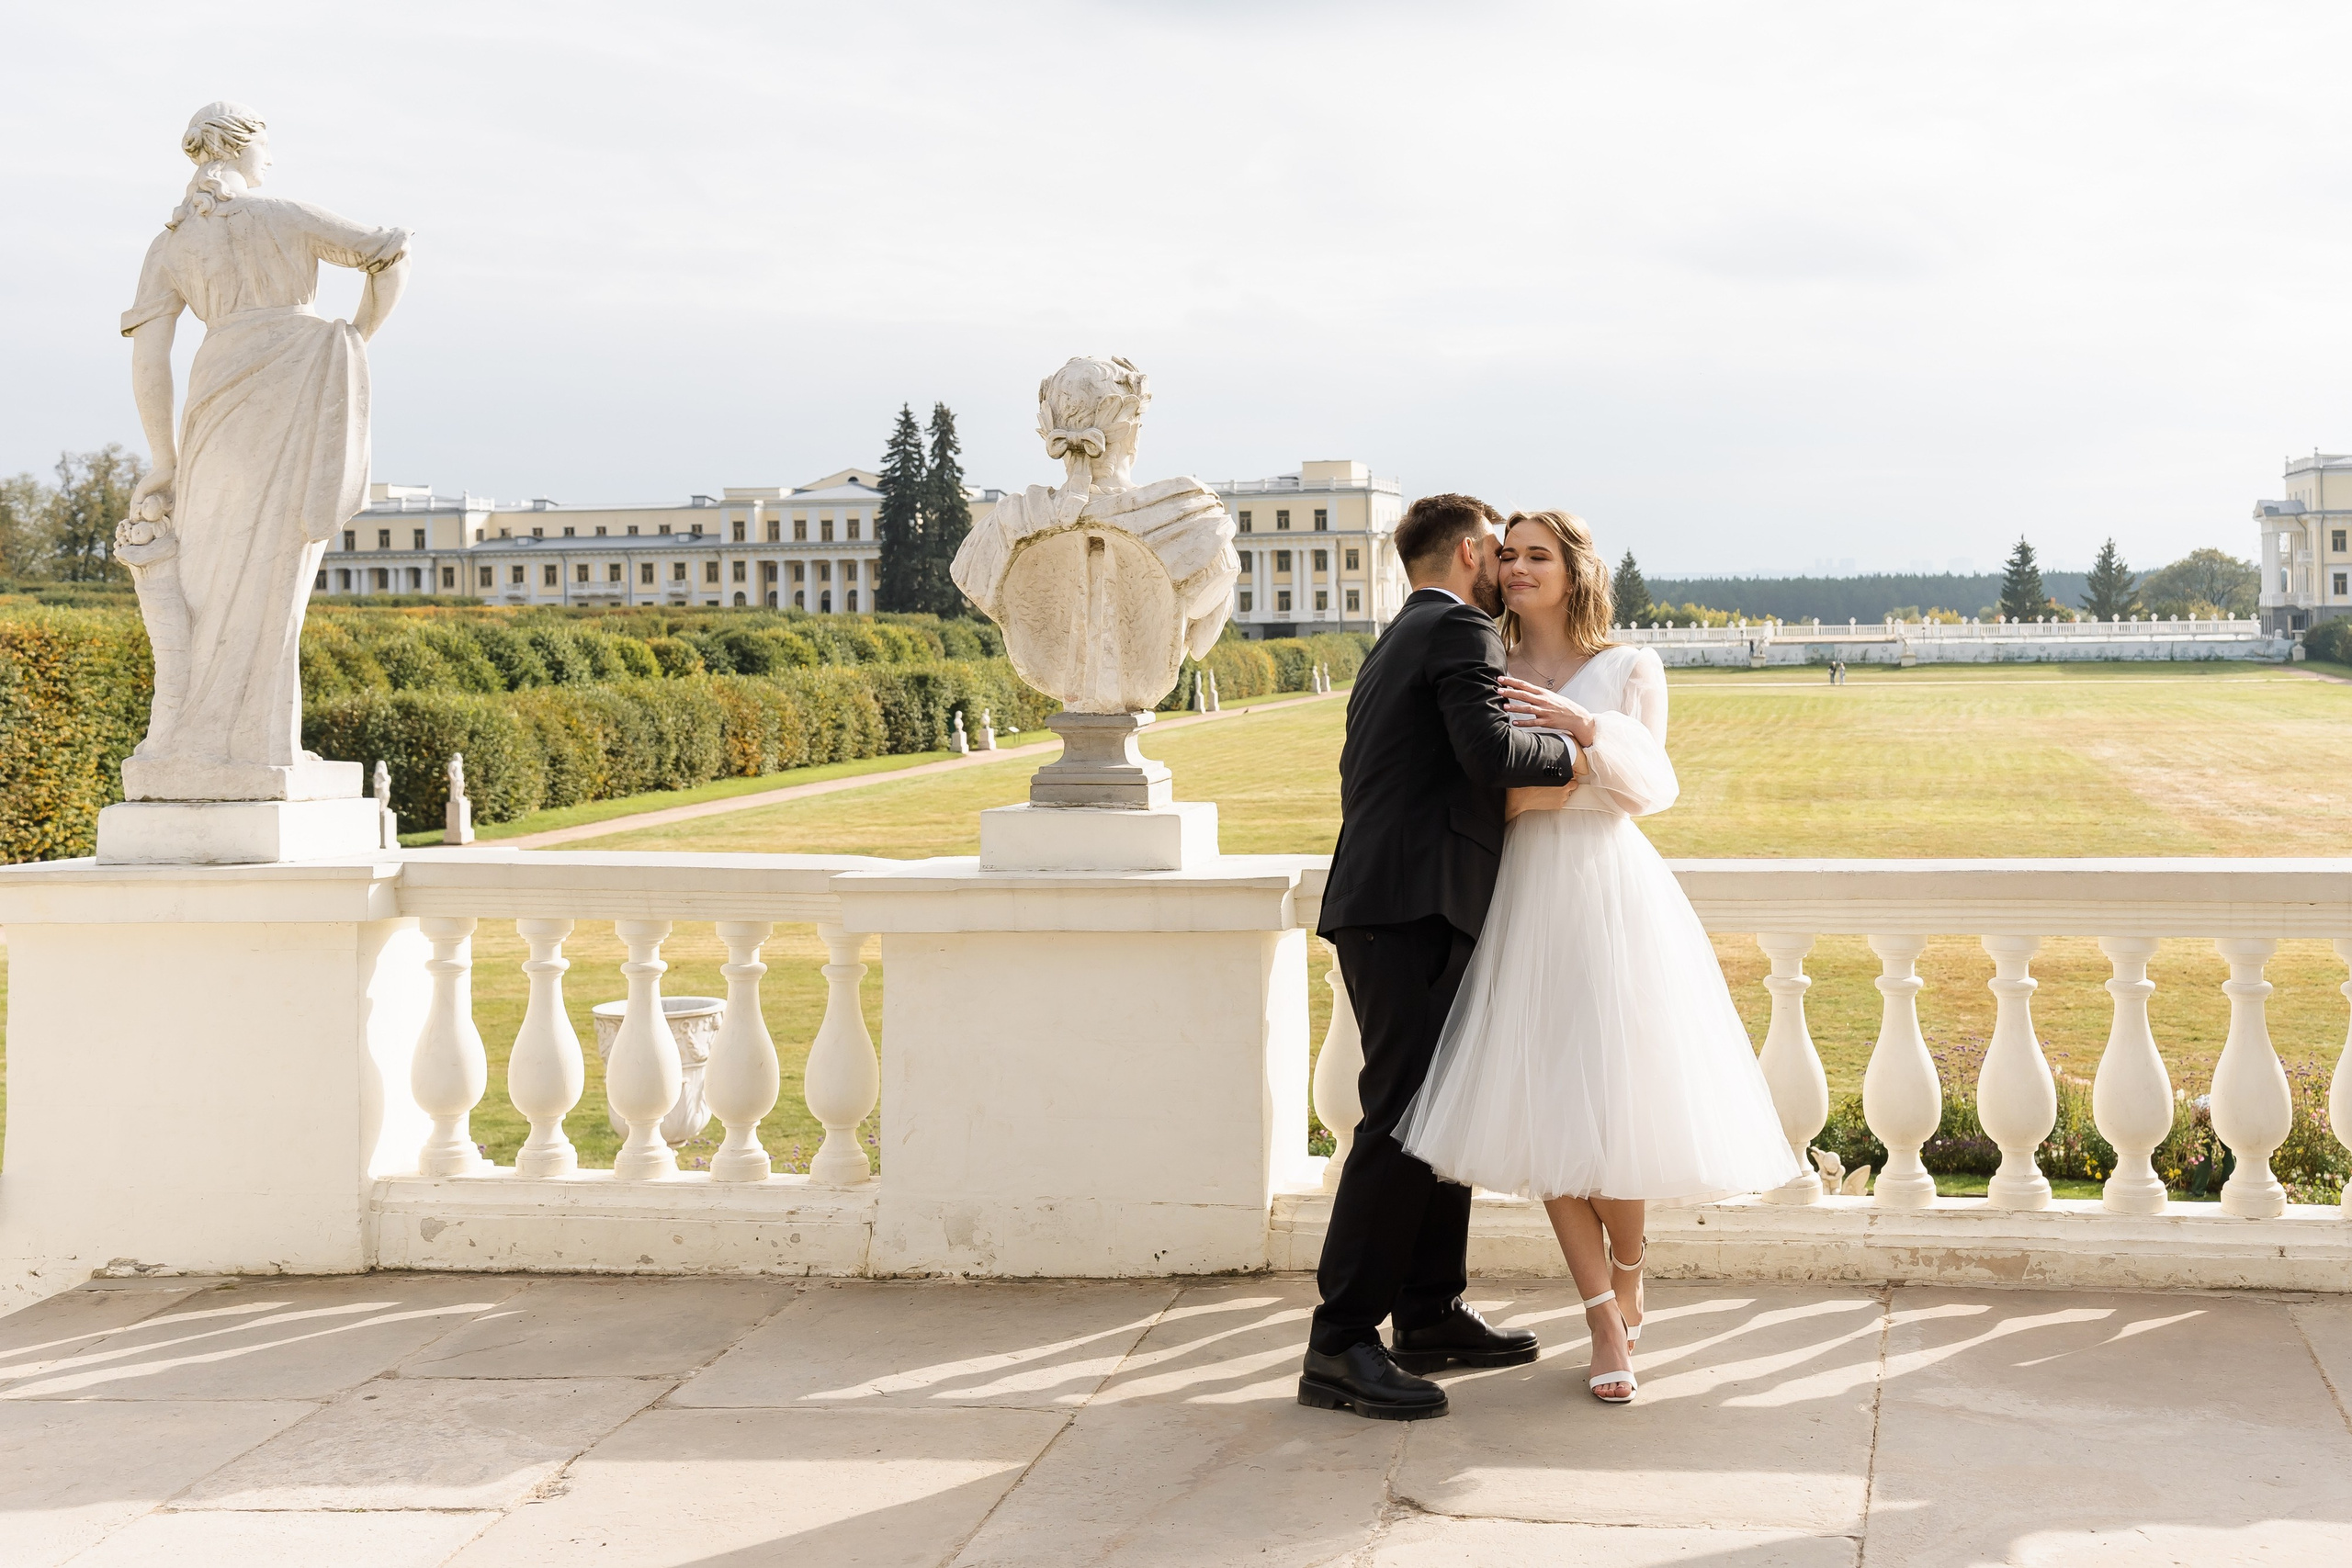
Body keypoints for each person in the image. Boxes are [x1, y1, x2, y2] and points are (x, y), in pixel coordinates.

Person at [1397, 511, 1801, 1404]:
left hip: (1612, 900)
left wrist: (1581, 730)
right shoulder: (1483, 663)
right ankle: (1601, 1318)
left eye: (1535, 554)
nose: (1514, 567)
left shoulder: (1630, 668)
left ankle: (1631, 1264)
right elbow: (1482, 795)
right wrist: (1566, 783)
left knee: (1613, 1105)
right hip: (1519, 901)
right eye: (1504, 554)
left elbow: (1650, 788)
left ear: (1574, 570)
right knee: (1550, 1114)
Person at [1301, 494, 1579, 1422]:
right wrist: (1580, 748)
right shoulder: (1459, 631)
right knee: (1400, 1122)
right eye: (1499, 553)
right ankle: (1339, 1341)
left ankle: (1428, 1312)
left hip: (1396, 904)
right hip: (1408, 908)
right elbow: (1489, 751)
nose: (1506, 570)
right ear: (1467, 553)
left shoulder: (1399, 639)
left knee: (1434, 1112)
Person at [120, 102, 410, 792]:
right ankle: (257, 745)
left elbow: (148, 363)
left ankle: (228, 742)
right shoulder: (284, 214)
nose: (270, 160)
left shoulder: (170, 245)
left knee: (208, 574)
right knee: (276, 576)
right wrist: (353, 341)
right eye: (266, 148)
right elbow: (390, 254)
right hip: (293, 387)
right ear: (243, 147)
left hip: (215, 397)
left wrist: (164, 459)